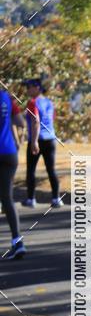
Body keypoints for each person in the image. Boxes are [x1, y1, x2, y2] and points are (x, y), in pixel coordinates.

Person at [21, 77, 63, 208]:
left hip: (37, 139)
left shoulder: (32, 102)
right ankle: (56, 199)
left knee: (31, 171)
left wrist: (33, 141)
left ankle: (31, 199)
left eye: (29, 87)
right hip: (50, 139)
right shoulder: (49, 103)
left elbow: (36, 121)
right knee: (51, 169)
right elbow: (52, 118)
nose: (27, 90)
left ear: (37, 88)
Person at [0, 88, 27, 259]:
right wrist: (20, 140)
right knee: (7, 198)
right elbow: (21, 122)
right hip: (9, 153)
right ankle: (18, 242)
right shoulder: (7, 98)